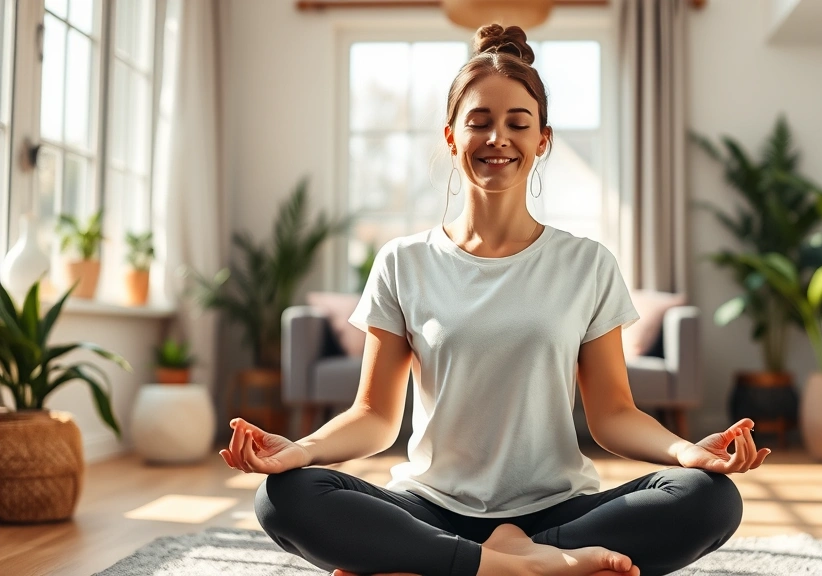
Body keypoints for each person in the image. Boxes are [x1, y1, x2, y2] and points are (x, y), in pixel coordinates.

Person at [220, 24, 769, 576]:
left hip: (558, 509)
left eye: (518, 124)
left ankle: (455, 564)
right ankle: (524, 567)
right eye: (478, 123)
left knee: (710, 498)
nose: (497, 139)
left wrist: (685, 453)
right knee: (283, 495)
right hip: (432, 507)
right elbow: (374, 416)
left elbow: (613, 414)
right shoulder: (402, 261)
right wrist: (301, 450)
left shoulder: (587, 263)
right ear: (451, 137)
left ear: (543, 140)